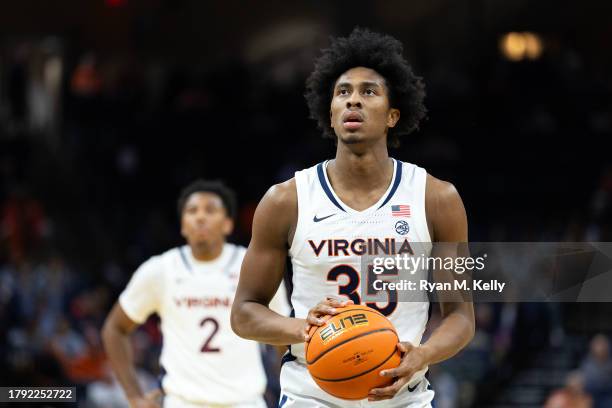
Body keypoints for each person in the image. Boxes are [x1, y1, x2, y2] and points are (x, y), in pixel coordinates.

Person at [231, 28, 475, 407]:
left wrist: (424, 354)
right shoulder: (286, 201)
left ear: (394, 114)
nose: (353, 102)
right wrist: (305, 328)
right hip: (310, 397)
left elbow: (460, 315)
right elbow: (244, 313)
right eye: (343, 92)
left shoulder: (436, 198)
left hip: (403, 398)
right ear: (329, 111)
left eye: (369, 92)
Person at [102, 179, 289, 408]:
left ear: (228, 224)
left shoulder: (253, 267)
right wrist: (134, 397)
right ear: (183, 225)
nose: (200, 217)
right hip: (183, 402)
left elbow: (283, 337)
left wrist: (290, 395)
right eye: (192, 211)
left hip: (245, 401)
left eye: (210, 210)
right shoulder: (161, 269)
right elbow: (114, 329)